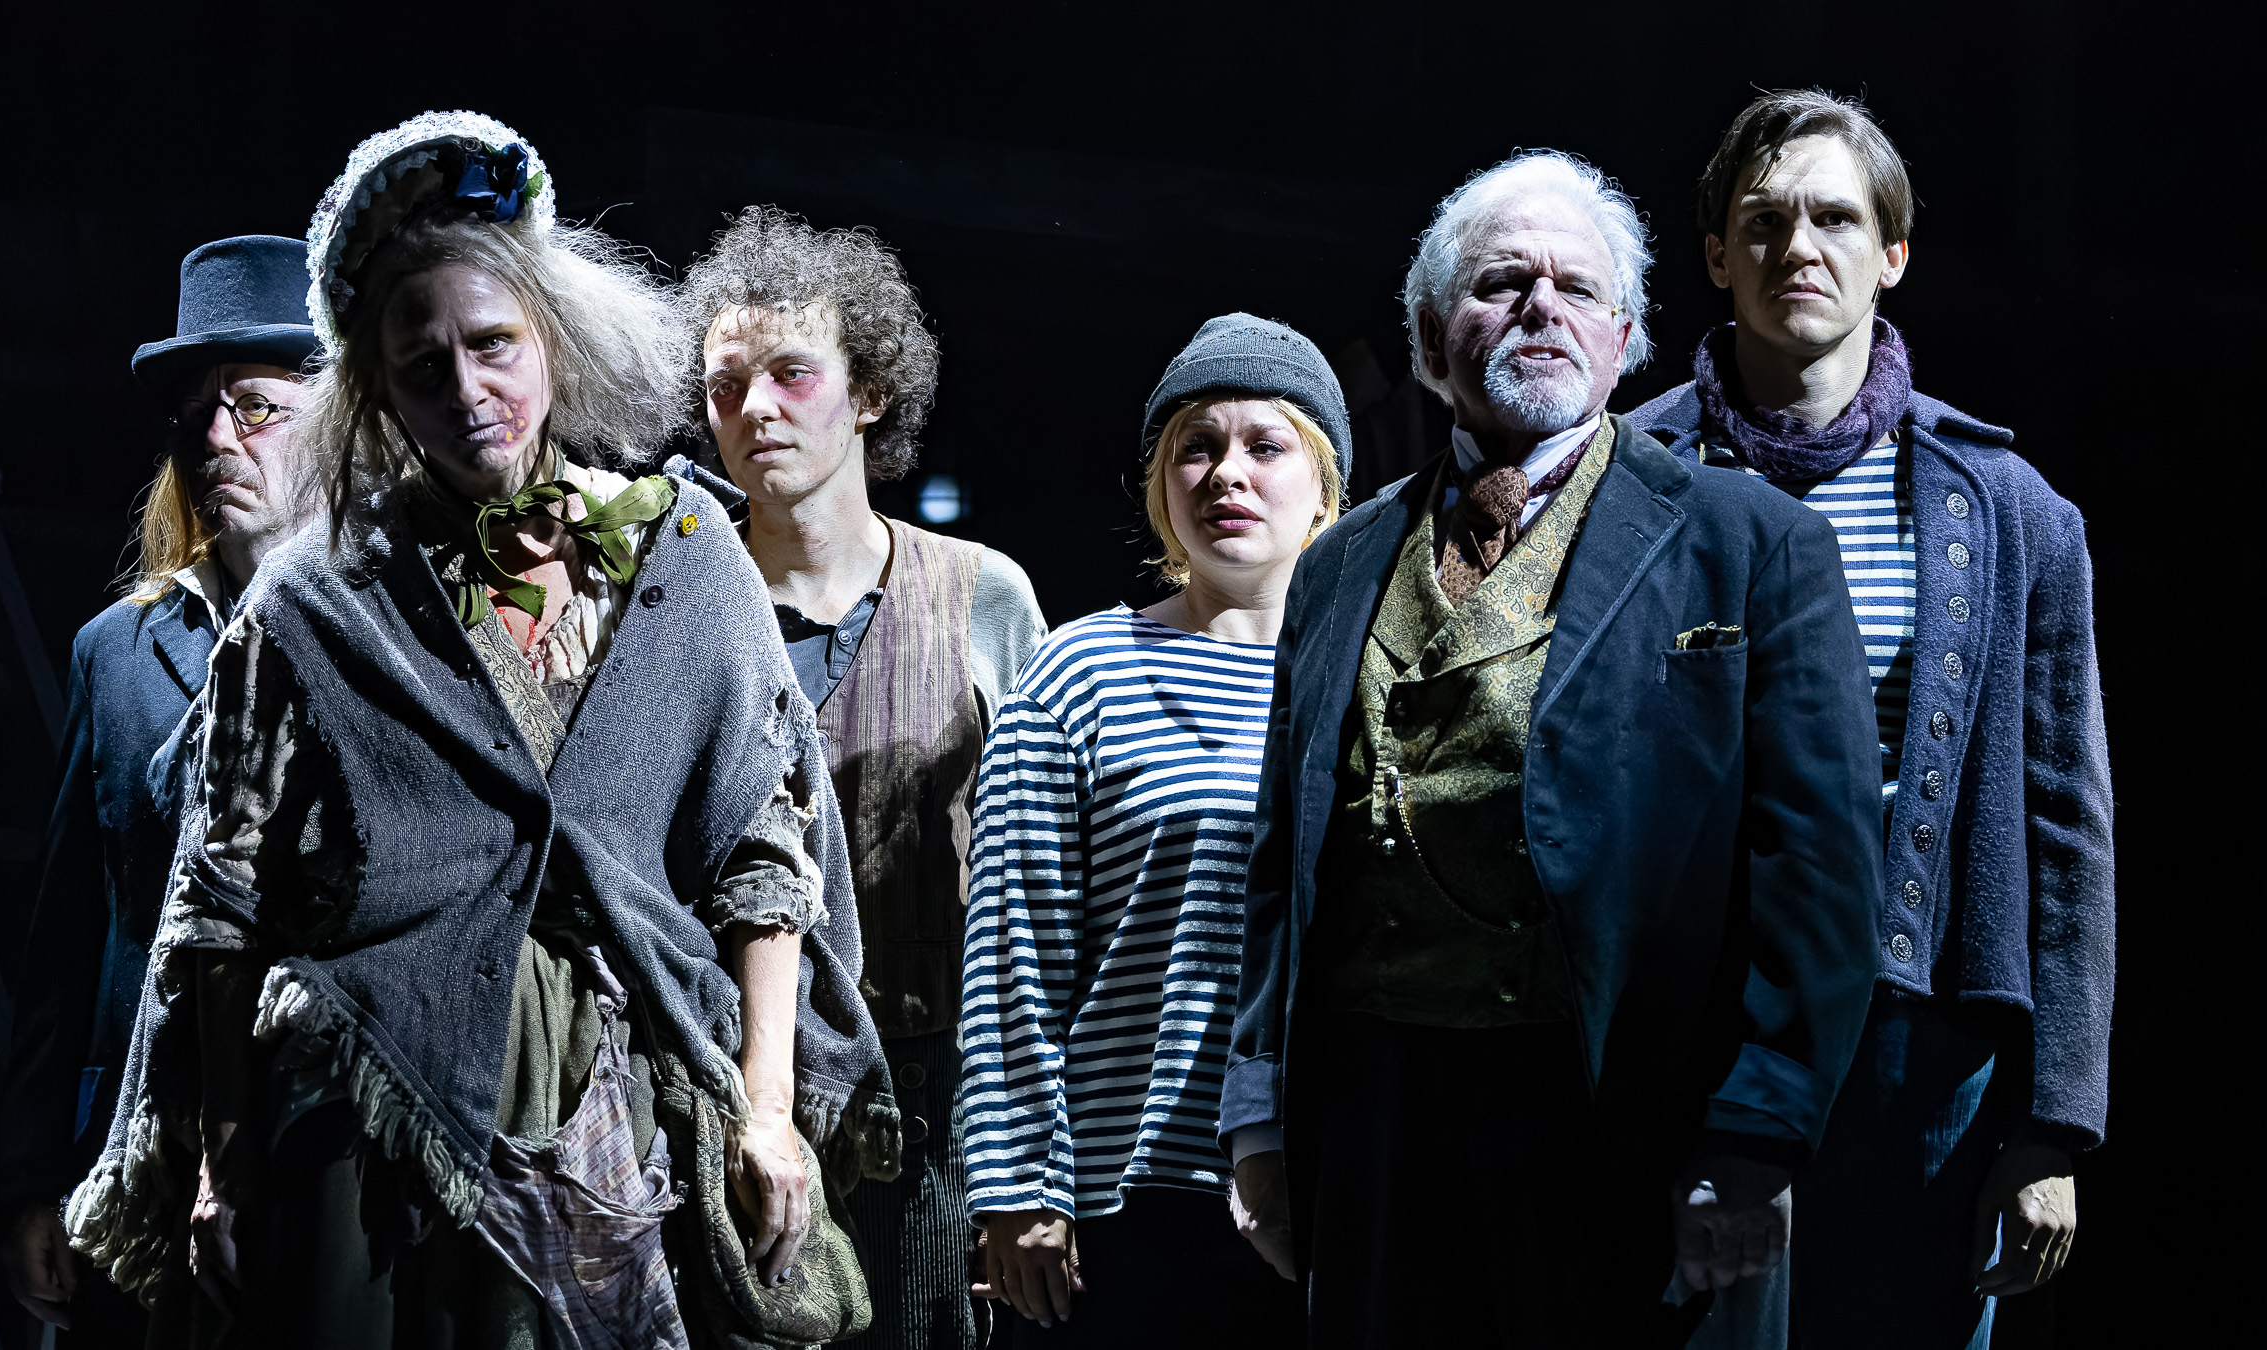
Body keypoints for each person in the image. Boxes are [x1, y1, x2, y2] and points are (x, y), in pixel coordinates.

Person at [65, 111, 897, 1349]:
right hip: (371, 1123)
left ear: (552, 333)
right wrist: (218, 1162)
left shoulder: (684, 558)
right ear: (376, 392)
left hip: (623, 1117)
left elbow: (762, 850)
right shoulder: (318, 597)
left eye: (493, 343)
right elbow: (222, 898)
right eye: (422, 366)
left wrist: (768, 1113)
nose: (467, 391)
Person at [1217, 152, 1888, 1345]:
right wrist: (1261, 1115)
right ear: (1431, 338)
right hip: (1380, 1122)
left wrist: (1756, 1136)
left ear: (1623, 339)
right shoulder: (1337, 563)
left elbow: (1820, 874)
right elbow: (1283, 862)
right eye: (1501, 284)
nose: (1542, 308)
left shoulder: (1751, 543)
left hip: (1624, 1121)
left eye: (1578, 288)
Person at [1630, 89, 2113, 1350]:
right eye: (1764, 221)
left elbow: (2065, 824)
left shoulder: (2006, 507)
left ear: (1893, 253)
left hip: (1925, 1042)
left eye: (1837, 219)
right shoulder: (1625, 479)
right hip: (1685, 1032)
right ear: (1717, 254)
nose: (1800, 246)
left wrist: (2056, 1122)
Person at [686, 205, 1047, 1350]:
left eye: (792, 374)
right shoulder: (677, 604)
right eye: (726, 386)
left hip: (932, 1124)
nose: (756, 408)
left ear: (871, 392)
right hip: (723, 1111)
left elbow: (1038, 893)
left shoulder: (981, 596)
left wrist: (1025, 1165)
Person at [964, 314, 1344, 1345]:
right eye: (1197, 447)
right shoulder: (1083, 671)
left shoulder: (1366, 677)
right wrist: (1017, 1183)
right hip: (1124, 1193)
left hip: (1327, 1179)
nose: (1229, 474)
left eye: (1266, 446)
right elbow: (1013, 948)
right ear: (1160, 487)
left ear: (1323, 486)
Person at [0, 234, 321, 1344]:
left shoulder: (393, 638)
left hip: (313, 1147)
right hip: (139, 1153)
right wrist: (31, 1179)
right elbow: (65, 937)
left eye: (257, 407)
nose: (221, 438)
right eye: (197, 416)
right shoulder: (119, 652)